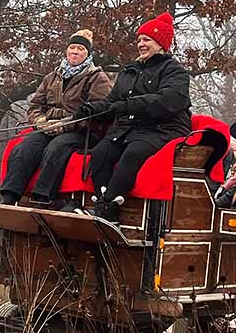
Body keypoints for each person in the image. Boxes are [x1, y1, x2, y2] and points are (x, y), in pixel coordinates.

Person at [72, 12, 191, 222]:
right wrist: (92, 109)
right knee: (101, 153)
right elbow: (112, 101)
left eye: (146, 39)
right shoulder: (129, 71)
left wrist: (127, 106)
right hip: (130, 128)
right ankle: (105, 202)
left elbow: (167, 101)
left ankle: (105, 207)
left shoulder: (176, 72)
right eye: (139, 40)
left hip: (164, 127)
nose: (141, 44)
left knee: (133, 152)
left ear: (161, 43)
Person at [0, 29, 113, 205]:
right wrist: (39, 121)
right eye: (72, 47)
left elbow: (99, 111)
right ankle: (10, 196)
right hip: (48, 127)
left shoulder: (97, 78)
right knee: (26, 146)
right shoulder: (52, 77)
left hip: (81, 131)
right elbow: (35, 105)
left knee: (57, 147)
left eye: (80, 49)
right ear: (66, 50)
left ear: (88, 54)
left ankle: (43, 197)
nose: (75, 52)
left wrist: (64, 125)